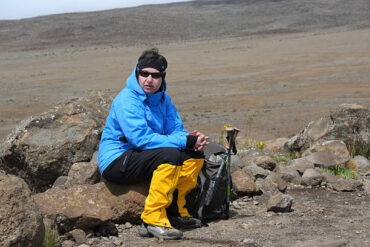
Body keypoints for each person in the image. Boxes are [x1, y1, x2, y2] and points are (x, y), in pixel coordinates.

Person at [98, 48, 209, 240]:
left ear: (162, 78)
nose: (149, 80)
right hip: (117, 159)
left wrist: (191, 141)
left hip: (142, 155)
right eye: (144, 74)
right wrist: (184, 141)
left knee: (194, 155)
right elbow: (140, 139)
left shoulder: (164, 101)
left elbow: (176, 130)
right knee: (171, 155)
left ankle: (174, 213)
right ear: (137, 73)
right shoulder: (127, 99)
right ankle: (152, 219)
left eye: (155, 75)